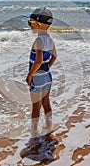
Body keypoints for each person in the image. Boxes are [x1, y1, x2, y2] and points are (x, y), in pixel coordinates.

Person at [25, 7, 57, 135]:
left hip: (37, 79)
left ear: (40, 25)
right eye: (30, 23)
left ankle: (34, 131)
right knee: (46, 102)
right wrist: (46, 67)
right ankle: (49, 126)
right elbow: (54, 56)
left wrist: (30, 75)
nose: (31, 26)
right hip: (47, 77)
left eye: (32, 23)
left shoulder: (39, 40)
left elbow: (38, 61)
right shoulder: (49, 39)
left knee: (35, 106)